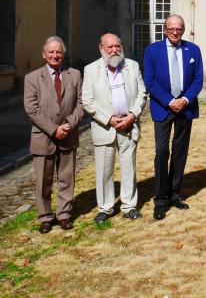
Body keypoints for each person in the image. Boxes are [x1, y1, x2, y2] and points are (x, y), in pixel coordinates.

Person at [143, 14, 204, 220]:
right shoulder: (152, 50)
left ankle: (175, 194)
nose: (175, 32)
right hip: (163, 107)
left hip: (185, 108)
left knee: (180, 151)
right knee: (162, 152)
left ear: (183, 30)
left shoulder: (193, 50)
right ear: (165, 30)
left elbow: (198, 79)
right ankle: (160, 199)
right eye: (171, 29)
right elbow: (149, 80)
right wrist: (170, 101)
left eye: (179, 28)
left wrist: (184, 99)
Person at [82, 33, 147, 223]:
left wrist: (132, 115)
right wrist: (109, 119)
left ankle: (129, 206)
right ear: (101, 48)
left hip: (128, 125)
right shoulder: (91, 69)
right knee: (104, 170)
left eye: (117, 46)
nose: (114, 50)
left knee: (129, 167)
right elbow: (87, 101)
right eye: (109, 47)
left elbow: (142, 93)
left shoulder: (132, 66)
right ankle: (105, 207)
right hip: (105, 127)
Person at [24, 36, 84, 233]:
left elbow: (81, 104)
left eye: (58, 52)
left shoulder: (74, 75)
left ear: (63, 54)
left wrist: (68, 124)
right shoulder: (32, 78)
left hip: (68, 134)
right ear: (44, 55)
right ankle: (45, 217)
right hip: (43, 136)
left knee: (67, 178)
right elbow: (31, 109)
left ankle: (64, 215)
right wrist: (53, 129)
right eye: (51, 52)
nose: (55, 55)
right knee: (44, 180)